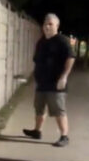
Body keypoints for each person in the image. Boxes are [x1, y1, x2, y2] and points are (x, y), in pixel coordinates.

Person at [23, 13, 76, 147]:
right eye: (45, 23)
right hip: (42, 84)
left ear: (57, 26)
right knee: (39, 109)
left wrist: (64, 77)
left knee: (58, 110)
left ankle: (64, 136)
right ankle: (37, 131)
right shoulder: (41, 42)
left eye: (50, 24)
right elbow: (37, 60)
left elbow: (71, 57)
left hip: (56, 84)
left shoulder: (62, 41)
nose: (47, 26)